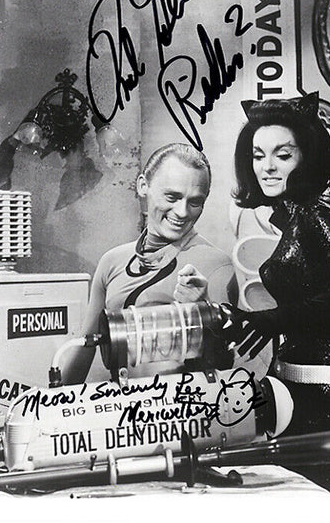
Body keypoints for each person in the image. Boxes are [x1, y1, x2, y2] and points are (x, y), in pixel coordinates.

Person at [227, 92, 330, 498]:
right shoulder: (296, 212)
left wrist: (275, 318)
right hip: (292, 393)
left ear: (306, 156)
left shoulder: (320, 210)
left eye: (283, 154)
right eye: (258, 155)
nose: (267, 167)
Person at [64, 142, 237, 383]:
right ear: (143, 186)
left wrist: (204, 313)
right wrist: (52, 400)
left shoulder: (215, 265)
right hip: (119, 401)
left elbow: (225, 369)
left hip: (179, 404)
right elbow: (85, 345)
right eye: (172, 197)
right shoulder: (112, 261)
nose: (182, 212)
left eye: (195, 202)